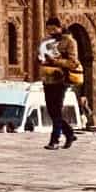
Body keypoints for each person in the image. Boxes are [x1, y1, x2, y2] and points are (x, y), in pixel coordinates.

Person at [35, 18, 81, 150]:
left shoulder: (70, 42)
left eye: (54, 29)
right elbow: (40, 55)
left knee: (56, 109)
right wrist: (40, 58)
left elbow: (73, 62)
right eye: (49, 29)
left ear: (60, 28)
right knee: (52, 111)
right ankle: (69, 133)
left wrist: (55, 61)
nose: (51, 32)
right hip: (48, 79)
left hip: (62, 80)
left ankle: (54, 140)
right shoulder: (45, 41)